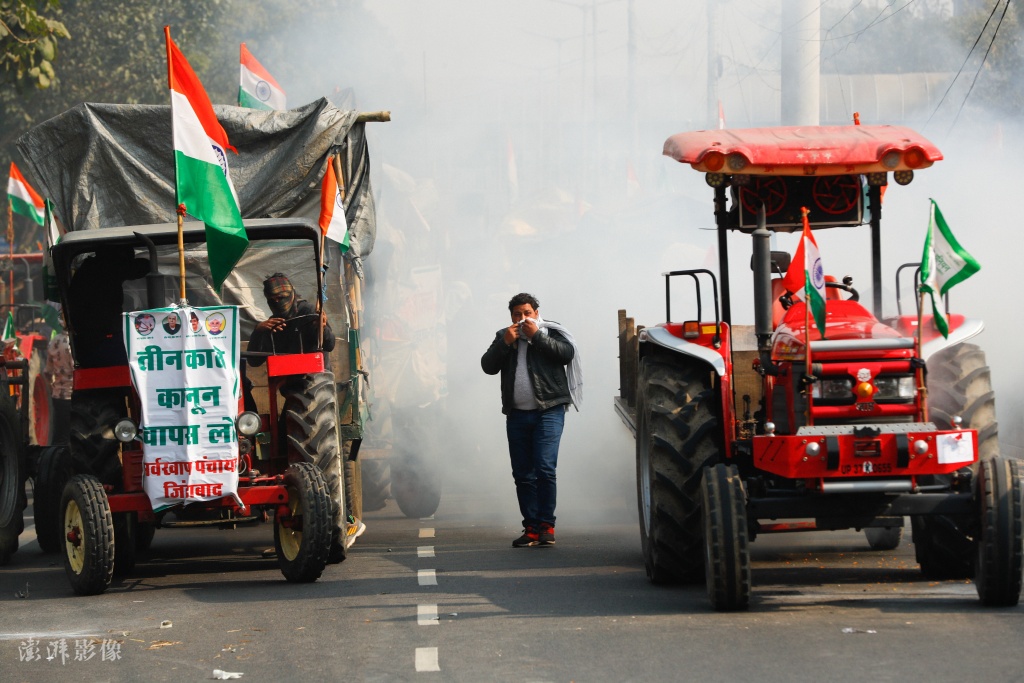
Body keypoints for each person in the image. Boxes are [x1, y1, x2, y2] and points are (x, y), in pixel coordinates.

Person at [481, 292, 580, 548]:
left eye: (527, 312)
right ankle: (532, 528)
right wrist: (505, 343)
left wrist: (537, 336)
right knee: (523, 474)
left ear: (536, 312)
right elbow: (488, 366)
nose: (522, 318)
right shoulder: (505, 336)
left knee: (544, 467)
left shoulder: (551, 332)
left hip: (549, 410)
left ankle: (547, 525)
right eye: (517, 314)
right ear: (511, 316)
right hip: (517, 415)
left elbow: (566, 354)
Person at [247, 273, 335, 366]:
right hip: (286, 377)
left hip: (314, 376)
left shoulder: (308, 312)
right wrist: (258, 331)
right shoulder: (273, 323)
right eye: (272, 300)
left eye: (280, 297)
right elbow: (254, 362)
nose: (277, 302)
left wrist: (323, 329)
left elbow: (329, 345)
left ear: (291, 294)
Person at [43, 310, 74, 444]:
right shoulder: (74, 343)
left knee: (60, 432)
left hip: (58, 396)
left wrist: (52, 389)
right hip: (73, 395)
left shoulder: (54, 341)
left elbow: (47, 372)